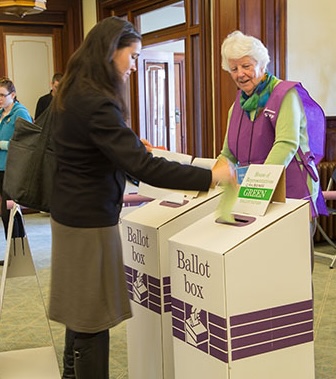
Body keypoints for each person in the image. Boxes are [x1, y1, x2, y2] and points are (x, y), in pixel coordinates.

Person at [49, 16, 235, 379]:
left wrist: (130, 148)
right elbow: (145, 167)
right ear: (110, 52)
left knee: (79, 312)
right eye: (131, 56)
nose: (134, 66)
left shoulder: (74, 89)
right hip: (89, 222)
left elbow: (99, 151)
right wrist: (210, 176)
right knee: (92, 322)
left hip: (70, 214)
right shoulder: (97, 102)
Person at [218, 30, 327, 268]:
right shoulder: (238, 103)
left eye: (246, 66)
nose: (240, 74)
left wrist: (258, 186)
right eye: (234, 69)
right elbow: (228, 153)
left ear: (261, 64)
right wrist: (210, 175)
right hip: (254, 194)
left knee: (292, 268)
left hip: (288, 190)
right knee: (265, 267)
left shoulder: (284, 94)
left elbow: (286, 143)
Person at [0, 77, 32, 243]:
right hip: (0, 168)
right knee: (6, 213)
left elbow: (28, 142)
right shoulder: (1, 113)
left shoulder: (20, 112)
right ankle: (12, 252)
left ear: (13, 95)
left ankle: (16, 252)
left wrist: (2, 144)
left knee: (9, 212)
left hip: (12, 168)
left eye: (2, 95)